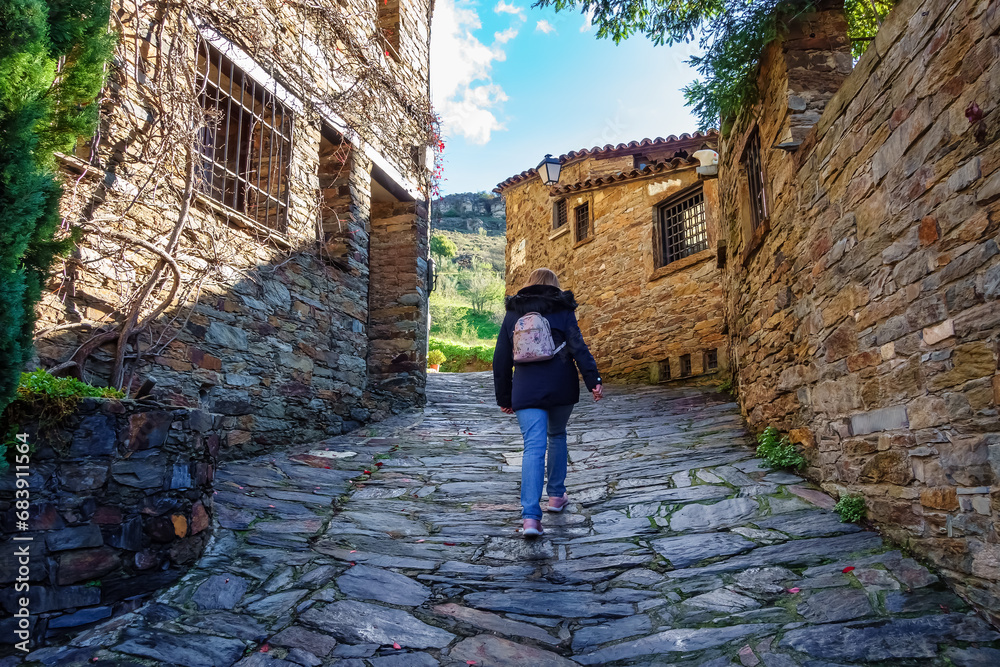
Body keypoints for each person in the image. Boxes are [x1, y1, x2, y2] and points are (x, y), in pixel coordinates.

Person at [493, 268, 603, 538]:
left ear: (528, 285)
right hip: (560, 384)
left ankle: (530, 518)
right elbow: (578, 347)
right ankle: (556, 496)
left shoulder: (513, 312)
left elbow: (501, 359)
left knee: (532, 448)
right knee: (557, 435)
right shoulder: (562, 309)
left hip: (526, 388)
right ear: (555, 286)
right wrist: (593, 380)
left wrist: (504, 397)